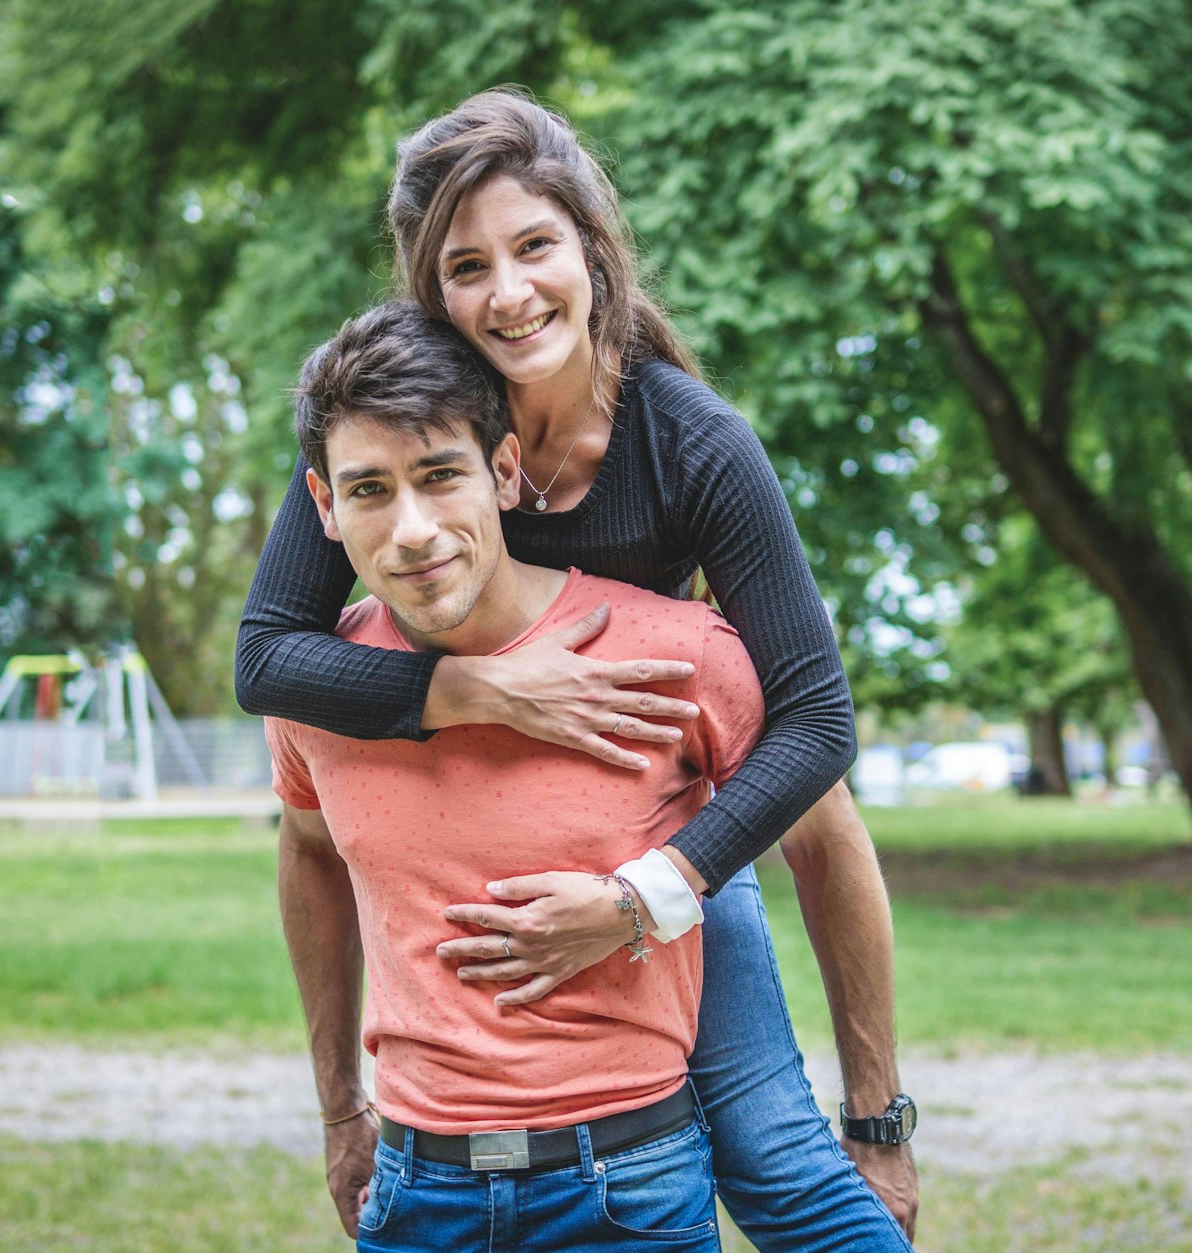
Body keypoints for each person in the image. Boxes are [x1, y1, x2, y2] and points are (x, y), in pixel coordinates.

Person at [238, 90, 917, 1247]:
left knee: (766, 1147)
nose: (506, 292)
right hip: (469, 816)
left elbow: (817, 725)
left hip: (663, 836)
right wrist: (471, 690)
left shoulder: (687, 440)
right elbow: (266, 655)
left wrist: (649, 896)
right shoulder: (409, 429)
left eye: (534, 246)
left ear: (593, 251)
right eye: (465, 266)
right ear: (429, 290)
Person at [273, 302, 762, 1249]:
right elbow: (307, 858)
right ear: (325, 507)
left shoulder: (676, 653)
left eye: (440, 476)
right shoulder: (316, 687)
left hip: (632, 1184)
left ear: (503, 472)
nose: (412, 530)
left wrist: (875, 1114)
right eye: (369, 490)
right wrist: (340, 1106)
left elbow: (822, 820)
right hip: (417, 1193)